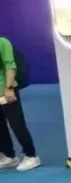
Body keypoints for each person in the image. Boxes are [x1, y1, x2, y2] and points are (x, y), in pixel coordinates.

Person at [0, 36, 39, 171]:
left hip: (7, 91)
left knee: (17, 125)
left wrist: (9, 88)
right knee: (0, 127)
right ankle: (9, 156)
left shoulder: (3, 42)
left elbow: (10, 66)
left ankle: (31, 155)